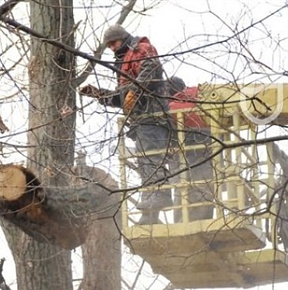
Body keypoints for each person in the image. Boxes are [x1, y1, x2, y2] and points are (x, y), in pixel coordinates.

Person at [80, 24, 172, 225]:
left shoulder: (140, 48)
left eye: (113, 42)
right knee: (145, 164)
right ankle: (150, 215)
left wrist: (135, 91)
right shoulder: (124, 61)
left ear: (122, 37)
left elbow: (151, 68)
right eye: (109, 45)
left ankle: (162, 195)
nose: (112, 47)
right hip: (140, 119)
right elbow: (123, 98)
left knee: (152, 158)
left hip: (152, 114)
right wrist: (98, 94)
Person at [166, 76, 215, 221]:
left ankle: (184, 221)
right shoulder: (200, 96)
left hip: (186, 147)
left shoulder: (172, 107)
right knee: (205, 185)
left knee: (183, 188)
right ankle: (204, 219)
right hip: (209, 144)